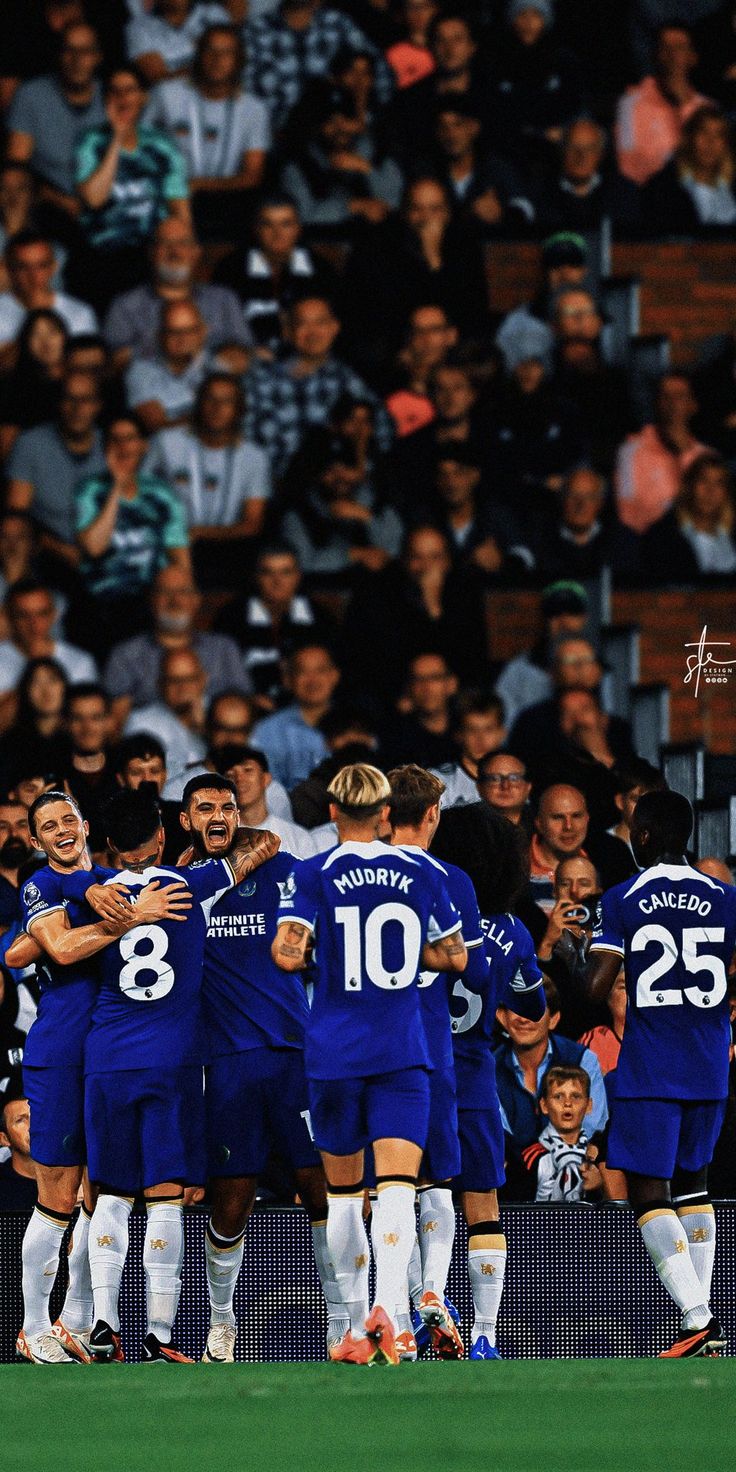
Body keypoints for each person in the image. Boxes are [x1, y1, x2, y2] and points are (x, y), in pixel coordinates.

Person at [65, 784, 279, 1362]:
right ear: (164, 835)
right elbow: (257, 848)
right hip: (175, 1058)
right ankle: (160, 1335)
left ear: (108, 844)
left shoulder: (93, 897)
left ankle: (104, 1326)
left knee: (110, 1194)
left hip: (107, 1057)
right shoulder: (188, 885)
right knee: (164, 1197)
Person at [271, 762, 467, 1365]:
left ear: (332, 813)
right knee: (399, 1189)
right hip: (402, 1050)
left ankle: (358, 1324)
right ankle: (395, 1320)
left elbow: (285, 954)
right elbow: (455, 957)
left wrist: (314, 954)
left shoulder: (312, 872)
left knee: (343, 1193)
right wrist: (408, 960)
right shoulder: (423, 872)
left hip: (333, 1051)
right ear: (386, 814)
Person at [10, 789, 189, 1364]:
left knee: (101, 1195)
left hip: (108, 1056)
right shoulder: (41, 882)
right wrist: (133, 917)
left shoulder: (110, 879)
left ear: (86, 826)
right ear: (36, 841)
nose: (61, 829)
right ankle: (33, 1325)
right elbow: (59, 950)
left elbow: (21, 950)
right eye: (48, 825)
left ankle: (78, 1318)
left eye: (68, 819)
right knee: (57, 1197)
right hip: (62, 1052)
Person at [169, 774, 329, 1361]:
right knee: (231, 1204)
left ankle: (343, 1325)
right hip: (227, 1065)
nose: (218, 816)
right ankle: (220, 1325)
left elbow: (272, 844)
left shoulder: (281, 872)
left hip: (295, 1056)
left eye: (228, 807)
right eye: (205, 807)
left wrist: (257, 840)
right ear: (185, 819)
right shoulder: (183, 890)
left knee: (322, 1193)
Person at [585, 789, 736, 1357]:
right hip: (709, 1063)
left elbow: (597, 987)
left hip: (652, 1064)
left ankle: (697, 1317)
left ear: (642, 836)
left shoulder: (623, 898)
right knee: (695, 1185)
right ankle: (699, 1323)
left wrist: (578, 955)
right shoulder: (725, 897)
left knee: (652, 1190)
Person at [430, 800, 544, 1359]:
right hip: (475, 1077)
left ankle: (417, 1313)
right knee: (484, 1201)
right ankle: (485, 1336)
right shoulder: (516, 933)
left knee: (418, 1191)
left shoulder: (428, 919)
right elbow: (533, 1002)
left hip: (421, 1070)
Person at [387, 765, 487, 1361]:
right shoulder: (451, 879)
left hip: (360, 1046)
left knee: (373, 1189)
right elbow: (469, 970)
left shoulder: (350, 874)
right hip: (429, 1042)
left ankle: (387, 1317)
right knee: (435, 1181)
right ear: (431, 816)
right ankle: (431, 1298)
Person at [73, 66, 190, 310]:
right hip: (103, 252)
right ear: (105, 99)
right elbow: (94, 199)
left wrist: (184, 249)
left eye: (130, 90)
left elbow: (179, 208)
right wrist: (116, 138)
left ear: (143, 97)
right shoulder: (90, 141)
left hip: (151, 251)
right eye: (114, 91)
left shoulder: (161, 144)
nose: (122, 98)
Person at [73, 413, 191, 654]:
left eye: (130, 438)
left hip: (150, 601)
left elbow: (180, 558)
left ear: (144, 445)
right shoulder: (89, 490)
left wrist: (182, 596)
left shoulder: (161, 493)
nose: (123, 446)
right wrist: (116, 486)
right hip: (102, 600)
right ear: (105, 447)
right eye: (115, 439)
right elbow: (94, 547)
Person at [244, 294, 393, 479]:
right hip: (277, 490)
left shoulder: (350, 381)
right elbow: (245, 442)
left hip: (340, 487)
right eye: (302, 323)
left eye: (320, 323)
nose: (312, 332)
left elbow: (384, 435)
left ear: (334, 328)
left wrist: (360, 471)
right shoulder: (262, 381)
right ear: (288, 332)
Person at [144, 23, 270, 241]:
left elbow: (252, 175)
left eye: (227, 52)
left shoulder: (254, 108)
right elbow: (138, 147)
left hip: (226, 199)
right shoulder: (166, 94)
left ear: (239, 60)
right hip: (170, 195)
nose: (217, 59)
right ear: (198, 55)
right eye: (210, 50)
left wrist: (198, 185)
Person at [146, 372, 271, 587]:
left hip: (228, 546)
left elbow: (252, 524)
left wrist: (198, 532)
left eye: (227, 401)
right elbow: (139, 494)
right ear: (198, 404)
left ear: (239, 410)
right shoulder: (166, 442)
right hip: (171, 543)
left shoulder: (254, 456)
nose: (217, 408)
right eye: (210, 399)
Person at [104, 564, 249, 731]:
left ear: (196, 600)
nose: (175, 601)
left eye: (183, 592)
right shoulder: (125, 655)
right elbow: (114, 726)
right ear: (151, 600)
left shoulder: (224, 649)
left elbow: (245, 710)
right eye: (165, 592)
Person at [103, 215, 250, 370]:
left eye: (183, 243)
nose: (174, 252)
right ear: (152, 253)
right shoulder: (125, 306)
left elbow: (246, 353)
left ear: (196, 252)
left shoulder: (224, 299)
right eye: (165, 243)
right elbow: (116, 363)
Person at [494, 975, 608, 1159]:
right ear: (502, 1017)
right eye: (516, 1008)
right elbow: (501, 1139)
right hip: (514, 1175)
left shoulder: (582, 1060)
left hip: (576, 1165)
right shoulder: (489, 1070)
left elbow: (591, 1128)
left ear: (553, 1019)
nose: (524, 1019)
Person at [5, 20, 105, 224]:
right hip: (50, 204)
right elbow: (17, 167)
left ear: (97, 57)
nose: (77, 60)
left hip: (107, 201)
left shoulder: (112, 96)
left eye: (85, 51)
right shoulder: (31, 95)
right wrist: (60, 201)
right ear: (59, 55)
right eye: (69, 50)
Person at [5, 368, 105, 570]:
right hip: (47, 554)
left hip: (106, 553)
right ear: (59, 403)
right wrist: (61, 550)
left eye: (85, 400)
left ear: (97, 406)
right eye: (69, 399)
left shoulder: (111, 445)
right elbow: (17, 515)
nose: (77, 408)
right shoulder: (30, 444)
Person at [213, 194, 335, 359]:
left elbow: (331, 326)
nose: (278, 234)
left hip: (306, 359)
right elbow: (220, 326)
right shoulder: (231, 269)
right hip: (248, 358)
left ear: (298, 228)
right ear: (256, 229)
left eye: (286, 224)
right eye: (267, 225)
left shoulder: (320, 269)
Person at [243, 0, 393, 133]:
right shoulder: (255, 31)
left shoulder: (336, 23)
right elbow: (245, 95)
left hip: (343, 133)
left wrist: (363, 120)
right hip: (280, 141)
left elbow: (381, 74)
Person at [215, 544, 329, 710]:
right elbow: (219, 674)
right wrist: (248, 698)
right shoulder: (231, 617)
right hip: (248, 708)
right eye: (268, 573)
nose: (277, 582)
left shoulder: (320, 618)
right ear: (256, 577)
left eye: (286, 572)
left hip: (307, 706)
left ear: (297, 576)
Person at [614, 372, 708, 536]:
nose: (672, 403)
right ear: (657, 403)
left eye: (679, 396)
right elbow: (627, 513)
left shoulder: (706, 457)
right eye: (666, 396)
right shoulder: (631, 451)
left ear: (693, 405)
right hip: (653, 545)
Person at [615, 24, 709, 186]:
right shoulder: (631, 103)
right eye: (665, 47)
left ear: (692, 57)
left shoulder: (707, 109)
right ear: (656, 55)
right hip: (653, 198)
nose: (672, 55)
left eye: (679, 47)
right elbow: (627, 165)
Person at [494, 579, 589, 730]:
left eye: (572, 611)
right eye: (555, 612)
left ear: (584, 618)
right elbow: (504, 729)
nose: (564, 620)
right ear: (544, 620)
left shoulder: (602, 669)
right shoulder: (517, 670)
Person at [0, 580, 97, 717]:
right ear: (9, 618)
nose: (34, 624)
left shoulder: (80, 662)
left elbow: (85, 721)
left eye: (42, 614)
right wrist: (34, 667)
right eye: (23, 615)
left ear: (54, 616)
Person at [250, 643, 340, 789]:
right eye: (303, 671)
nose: (313, 680)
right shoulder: (267, 731)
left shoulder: (356, 725)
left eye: (320, 670)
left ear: (335, 676)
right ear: (288, 680)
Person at [0, 231, 98, 361]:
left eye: (41, 266)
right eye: (23, 267)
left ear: (54, 267)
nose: (33, 276)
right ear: (9, 269)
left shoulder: (80, 313)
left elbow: (89, 364)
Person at [533, 466, 641, 581]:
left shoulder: (621, 541)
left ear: (600, 503)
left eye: (589, 497)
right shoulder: (540, 540)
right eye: (573, 495)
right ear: (562, 499)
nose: (581, 504)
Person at [642, 104, 736, 234]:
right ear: (690, 138)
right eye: (703, 132)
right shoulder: (664, 190)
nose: (710, 142)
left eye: (718, 135)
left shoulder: (731, 189)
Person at [642, 451, 736, 580]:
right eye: (703, 480)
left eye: (719, 483)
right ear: (690, 486)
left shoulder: (730, 537)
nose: (710, 491)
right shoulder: (663, 538)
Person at [125, 299, 212, 434]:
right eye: (173, 331)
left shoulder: (219, 368)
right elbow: (156, 427)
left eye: (189, 331)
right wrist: (208, 419)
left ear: (202, 332)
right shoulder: (140, 370)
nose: (182, 339)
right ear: (160, 335)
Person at [521, 1066, 603, 1203]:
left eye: (576, 1096)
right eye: (558, 1096)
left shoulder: (597, 1159)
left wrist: (600, 1187)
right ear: (544, 1105)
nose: (567, 1104)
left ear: (589, 1105)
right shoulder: (529, 1159)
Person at [124, 647, 209, 777]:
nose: (182, 688)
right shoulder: (140, 722)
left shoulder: (221, 712)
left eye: (189, 679)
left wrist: (205, 730)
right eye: (174, 680)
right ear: (160, 684)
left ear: (203, 680)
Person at [62, 683, 120, 856]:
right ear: (65, 723)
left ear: (109, 721)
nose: (87, 728)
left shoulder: (126, 772)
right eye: (78, 718)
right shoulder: (52, 776)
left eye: (96, 718)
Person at [226, 747, 315, 858]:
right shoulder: (218, 841)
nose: (239, 779)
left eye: (247, 770)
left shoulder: (297, 837)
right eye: (230, 775)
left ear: (266, 779)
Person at [381, 652, 459, 770]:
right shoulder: (397, 739)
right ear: (409, 687)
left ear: (451, 684)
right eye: (418, 679)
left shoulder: (469, 730)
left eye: (434, 678)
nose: (426, 687)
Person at [125, 0, 232, 84]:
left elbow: (232, 64)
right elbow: (160, 79)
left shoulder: (215, 14)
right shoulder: (139, 27)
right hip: (172, 102)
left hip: (219, 96)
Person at [430, 692, 506, 809]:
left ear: (502, 733)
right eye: (472, 730)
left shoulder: (515, 782)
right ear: (459, 735)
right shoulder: (438, 782)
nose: (480, 738)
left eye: (488, 729)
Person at [579, 965, 627, 1075]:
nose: (632, 995)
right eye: (623, 987)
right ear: (609, 997)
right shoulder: (596, 1041)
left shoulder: (660, 1039)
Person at [0, 1086, 38, 1210]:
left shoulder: (74, 1177)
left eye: (37, 1116)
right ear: (4, 1139)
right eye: (20, 1120)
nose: (33, 1126)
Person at [476, 750, 532, 829]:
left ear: (528, 786)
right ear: (479, 787)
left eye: (514, 779)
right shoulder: (458, 823)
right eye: (495, 779)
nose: (505, 786)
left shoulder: (543, 824)